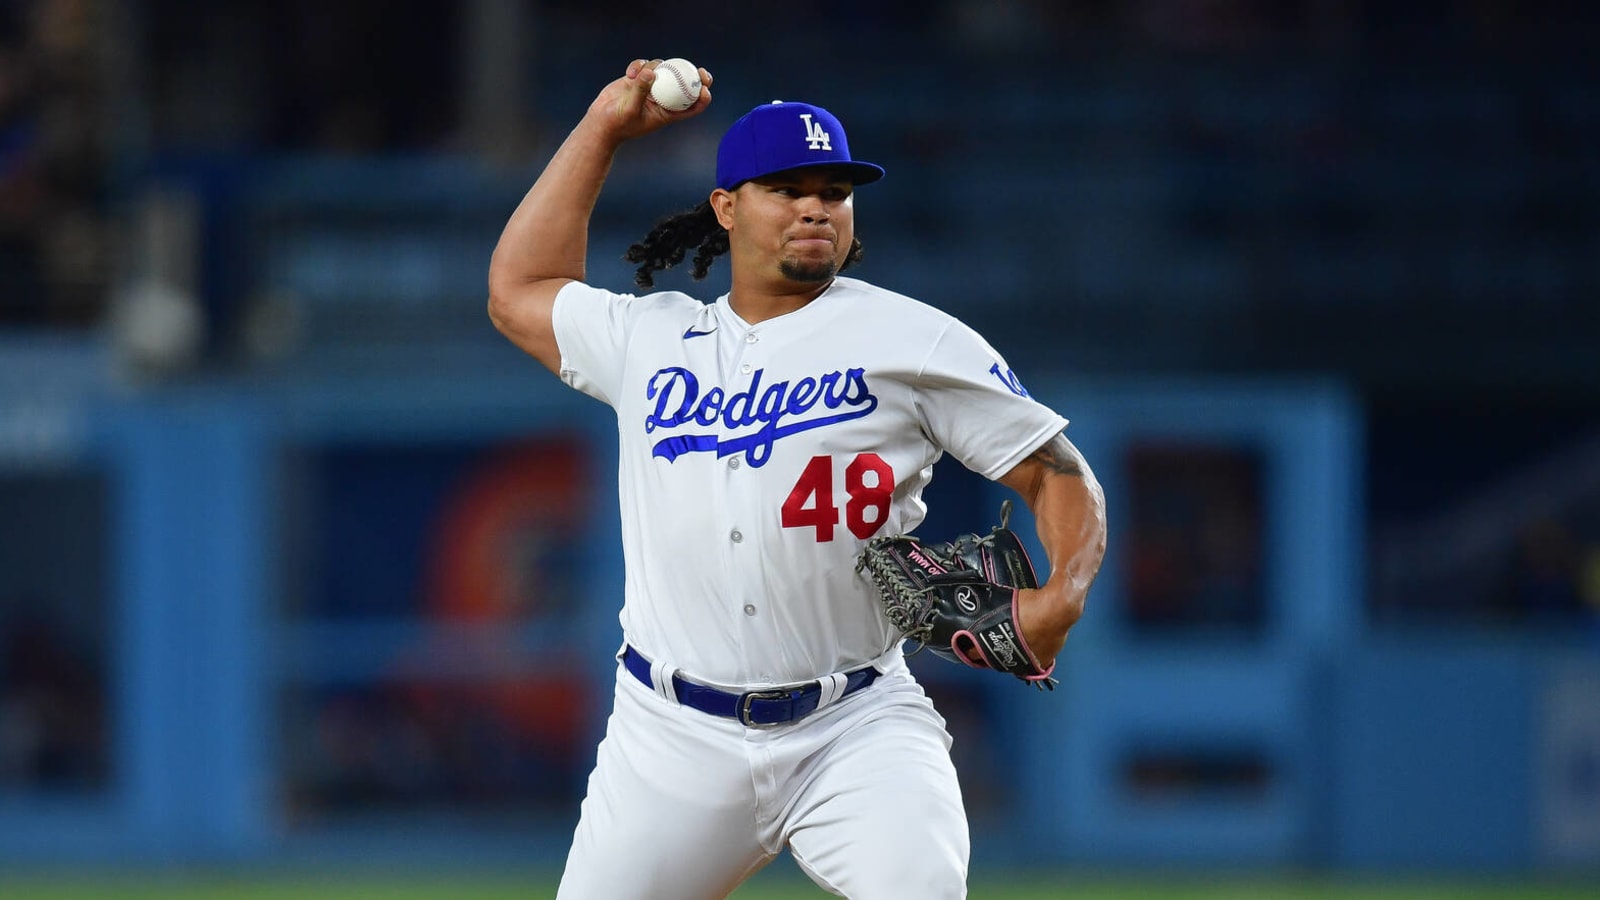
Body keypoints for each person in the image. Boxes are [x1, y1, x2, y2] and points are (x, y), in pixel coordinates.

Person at [487, 59, 1107, 900]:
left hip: (856, 724)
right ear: (727, 207)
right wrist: (602, 128)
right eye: (785, 186)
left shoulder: (911, 339)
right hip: (670, 736)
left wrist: (1062, 592)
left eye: (835, 190)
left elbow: (1056, 471)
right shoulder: (651, 339)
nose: (817, 205)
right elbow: (520, 289)